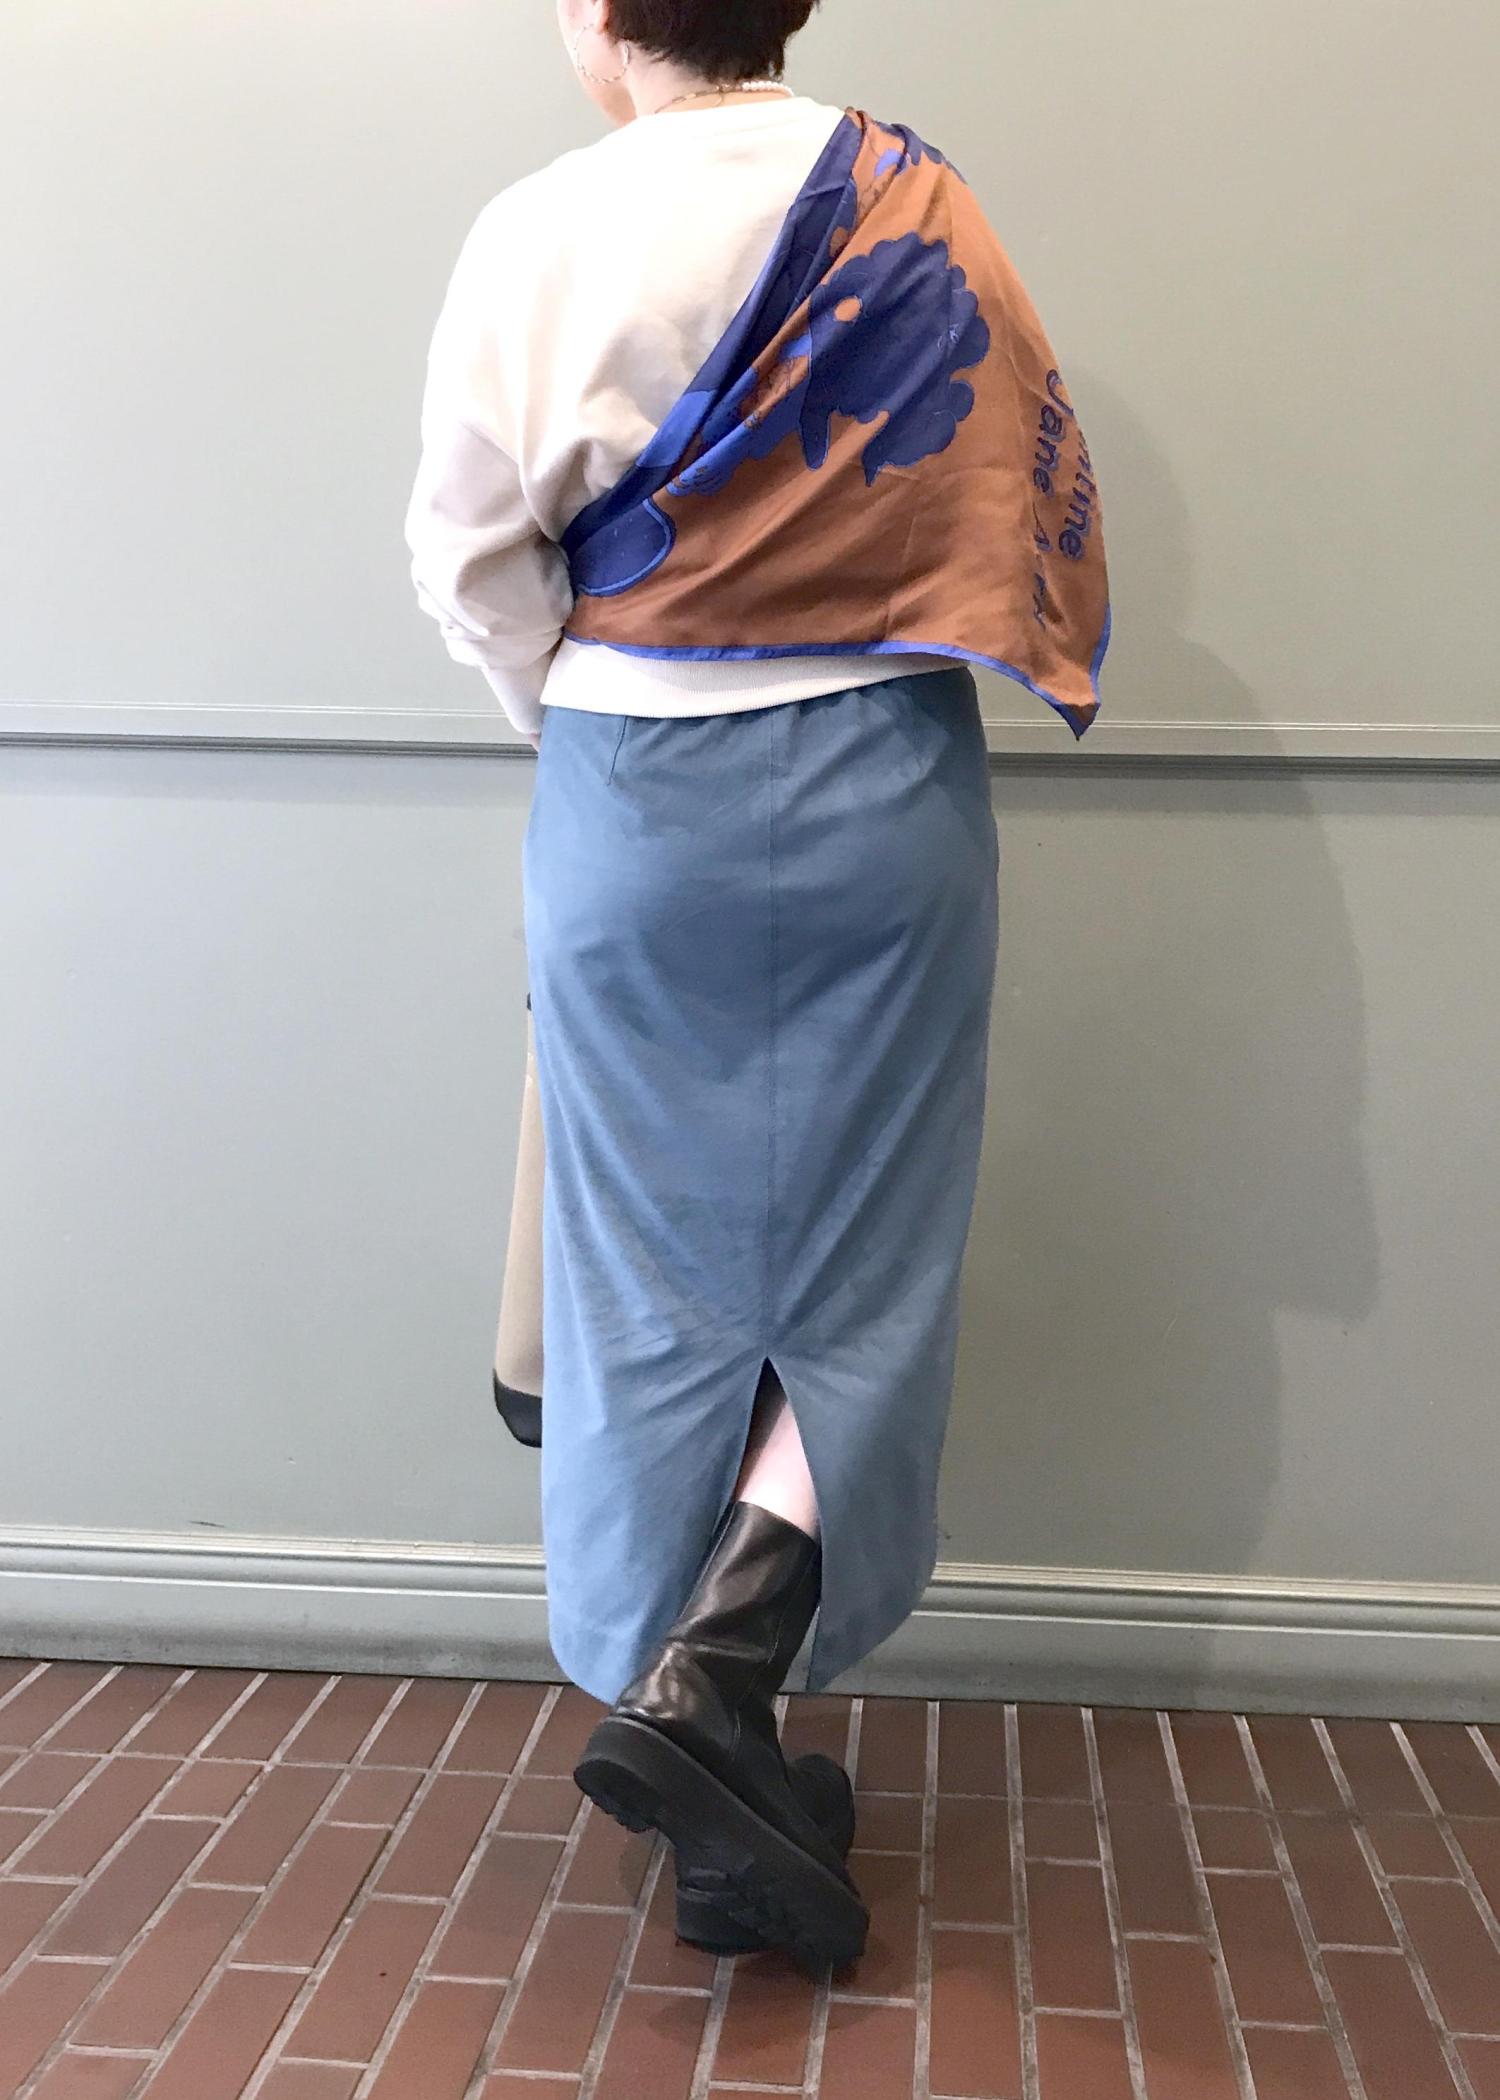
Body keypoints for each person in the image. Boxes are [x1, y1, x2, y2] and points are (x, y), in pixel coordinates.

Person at [403, 0, 1109, 1971]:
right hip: (883, 785)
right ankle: (719, 1697)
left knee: (653, 1281)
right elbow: (1010, 497)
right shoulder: (919, 203)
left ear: (597, 10)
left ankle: (701, 1717)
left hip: (633, 791)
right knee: (863, 1263)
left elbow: (468, 559)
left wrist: (597, 699)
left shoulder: (539, 228)